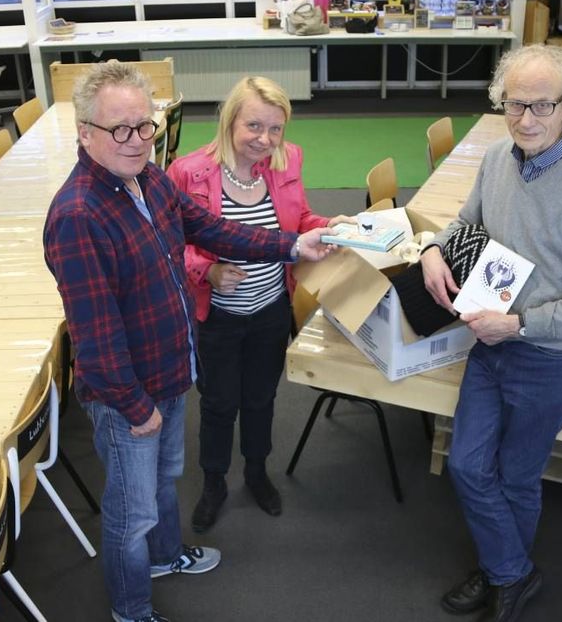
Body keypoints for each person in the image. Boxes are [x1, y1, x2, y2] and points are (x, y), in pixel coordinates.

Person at [43, 62, 334, 622]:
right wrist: (134, 407)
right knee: (130, 516)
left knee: (164, 484)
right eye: (119, 129)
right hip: (130, 395)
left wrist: (294, 246)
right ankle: (131, 610)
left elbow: (214, 230)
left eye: (144, 125)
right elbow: (95, 335)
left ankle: (167, 557)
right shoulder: (78, 215)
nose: (136, 140)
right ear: (85, 133)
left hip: (172, 369)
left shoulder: (147, 179)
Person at [421, 44, 562, 621]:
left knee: (516, 474)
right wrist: (435, 248)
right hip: (489, 343)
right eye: (514, 105)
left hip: (549, 357)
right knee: (465, 464)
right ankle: (513, 572)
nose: (527, 120)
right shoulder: (495, 159)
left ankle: (500, 574)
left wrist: (520, 323)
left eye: (542, 106)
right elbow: (467, 223)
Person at [167, 76, 352, 533]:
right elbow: (172, 244)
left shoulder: (287, 161)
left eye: (275, 130)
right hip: (218, 316)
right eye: (254, 126)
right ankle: (214, 483)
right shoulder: (188, 173)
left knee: (261, 398)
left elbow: (299, 219)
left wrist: (330, 224)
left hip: (270, 307)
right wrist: (206, 272)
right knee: (217, 402)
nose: (265, 140)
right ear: (230, 121)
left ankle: (255, 472)